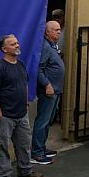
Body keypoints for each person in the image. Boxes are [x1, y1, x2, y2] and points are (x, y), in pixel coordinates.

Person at [0, 35, 43, 177]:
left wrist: (25, 103)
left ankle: (25, 171)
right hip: (5, 116)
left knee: (24, 144)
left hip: (21, 114)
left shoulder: (21, 65)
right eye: (12, 44)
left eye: (17, 43)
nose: (17, 45)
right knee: (2, 147)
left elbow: (24, 84)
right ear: (4, 49)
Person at [31, 21, 65, 165]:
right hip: (49, 91)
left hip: (55, 90)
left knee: (47, 122)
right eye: (55, 30)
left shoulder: (52, 46)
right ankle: (37, 153)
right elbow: (38, 69)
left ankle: (42, 148)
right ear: (47, 32)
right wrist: (47, 85)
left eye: (59, 29)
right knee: (43, 121)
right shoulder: (45, 47)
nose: (58, 32)